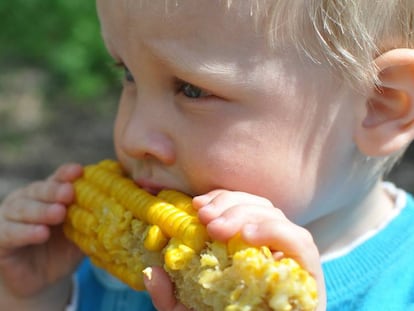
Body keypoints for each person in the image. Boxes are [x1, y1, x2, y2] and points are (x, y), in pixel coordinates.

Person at [1, 0, 414, 310]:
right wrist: (33, 296)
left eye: (192, 90)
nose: (132, 135)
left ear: (379, 106)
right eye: (128, 73)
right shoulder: (109, 275)